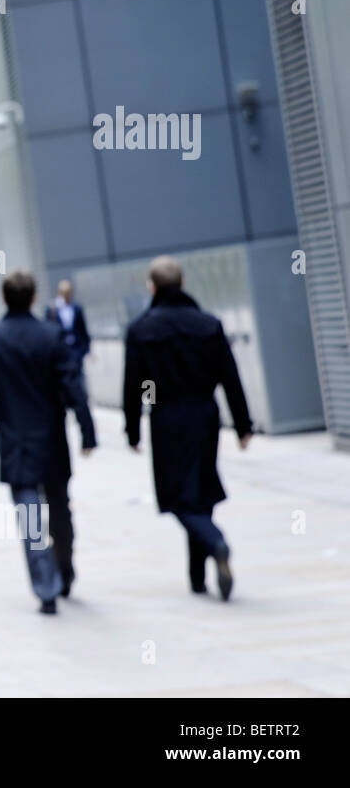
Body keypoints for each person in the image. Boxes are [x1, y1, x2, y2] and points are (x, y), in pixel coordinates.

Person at [0, 270, 96, 615]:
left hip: (16, 441)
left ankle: (46, 586)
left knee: (30, 517)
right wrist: (87, 431)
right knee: (60, 511)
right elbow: (73, 387)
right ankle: (64, 569)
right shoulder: (51, 337)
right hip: (51, 438)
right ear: (34, 297)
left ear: (4, 298)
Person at [123, 256, 252, 601]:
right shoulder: (207, 324)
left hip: (165, 416)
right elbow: (230, 376)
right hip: (204, 412)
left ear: (152, 287)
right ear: (182, 284)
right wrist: (242, 424)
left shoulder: (141, 331)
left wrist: (133, 427)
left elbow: (136, 384)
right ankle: (197, 578)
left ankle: (215, 542)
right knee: (200, 487)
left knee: (178, 496)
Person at [44, 280, 90, 375]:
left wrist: (85, 349)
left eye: (69, 293)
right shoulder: (52, 310)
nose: (67, 296)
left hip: (76, 350)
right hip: (60, 349)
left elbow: (83, 329)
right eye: (65, 293)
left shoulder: (77, 308)